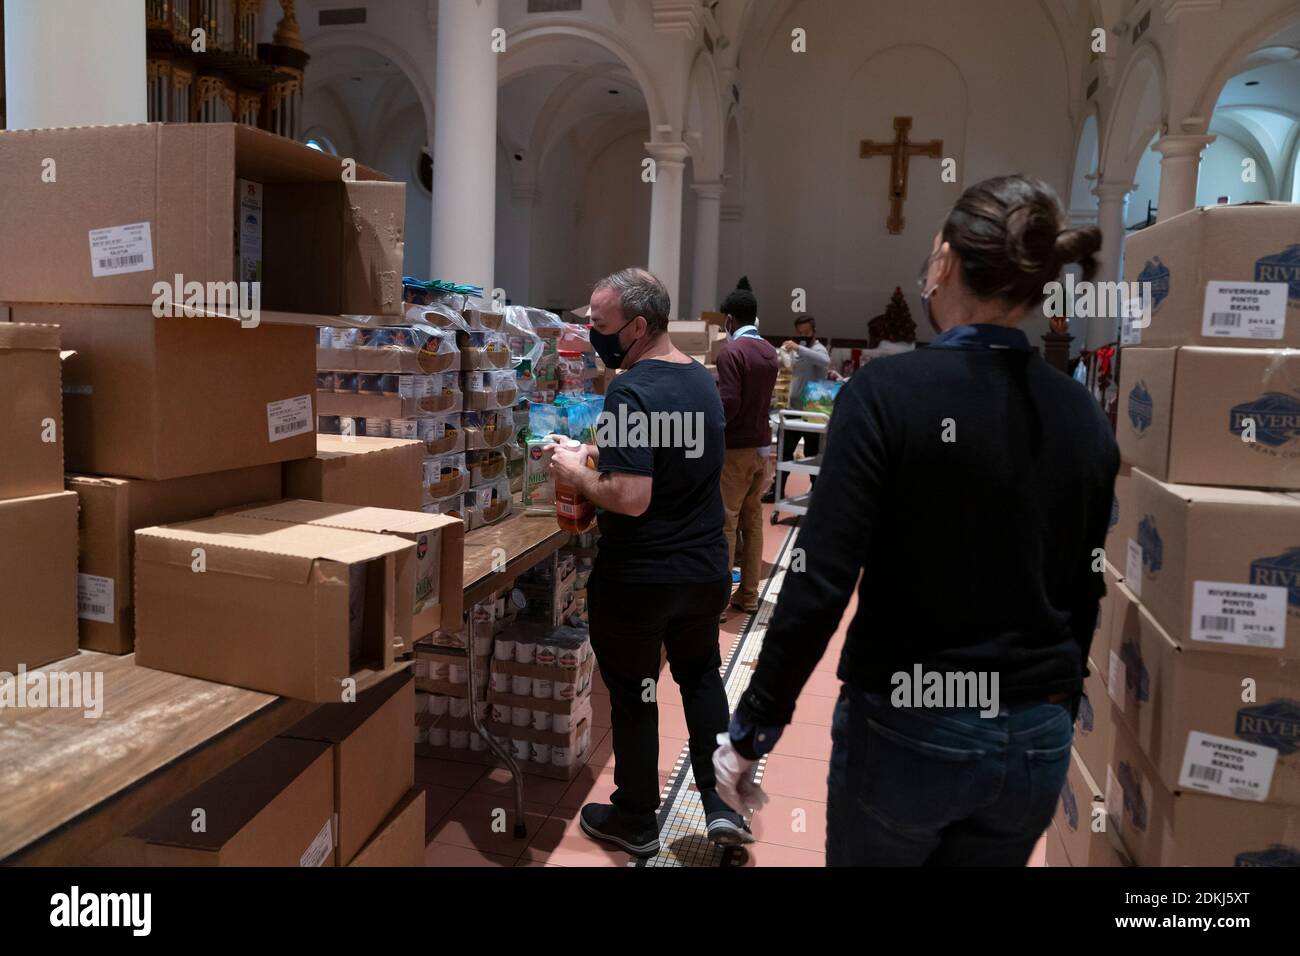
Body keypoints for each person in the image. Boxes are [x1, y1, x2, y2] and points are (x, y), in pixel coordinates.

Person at [714, 175, 1118, 866]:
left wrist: (752, 728)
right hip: (1035, 734)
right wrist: (1056, 695)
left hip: (912, 725)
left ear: (945, 264)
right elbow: (1087, 583)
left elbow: (818, 582)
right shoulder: (1079, 411)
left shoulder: (887, 395)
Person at [547, 267, 752, 857]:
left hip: (642, 576)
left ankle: (636, 816)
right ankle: (722, 806)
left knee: (637, 690)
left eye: (600, 322)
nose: (590, 331)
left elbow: (631, 497)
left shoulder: (630, 389)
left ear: (637, 326)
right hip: (704, 568)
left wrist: (576, 473)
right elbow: (672, 461)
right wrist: (600, 452)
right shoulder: (700, 381)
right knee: (701, 679)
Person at [716, 278, 779, 617]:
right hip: (761, 447)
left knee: (726, 523)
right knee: (753, 523)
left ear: (730, 320)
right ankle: (750, 595)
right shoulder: (769, 351)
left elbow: (729, 403)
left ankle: (720, 601)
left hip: (735, 449)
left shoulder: (732, 352)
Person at [763, 313, 829, 503]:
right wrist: (779, 353)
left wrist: (799, 347)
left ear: (813, 332)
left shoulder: (818, 349)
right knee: (785, 451)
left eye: (806, 333)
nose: (802, 336)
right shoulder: (798, 352)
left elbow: (824, 362)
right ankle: (777, 490)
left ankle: (816, 495)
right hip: (793, 411)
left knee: (812, 454)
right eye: (799, 333)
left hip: (811, 413)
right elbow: (783, 364)